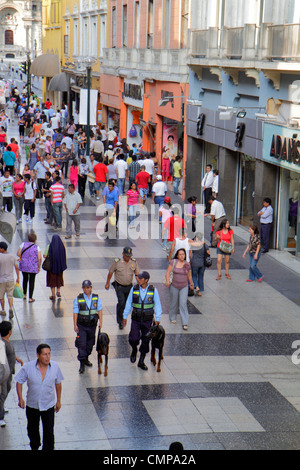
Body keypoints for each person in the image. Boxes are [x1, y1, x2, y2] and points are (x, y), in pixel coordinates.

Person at [14, 343, 64, 450]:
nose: (48, 357)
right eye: (45, 354)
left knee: (49, 432)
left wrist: (59, 400)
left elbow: (58, 383)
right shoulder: (28, 367)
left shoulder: (55, 366)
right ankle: (35, 446)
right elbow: (19, 381)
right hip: (32, 405)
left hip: (48, 405)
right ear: (38, 355)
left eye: (49, 354)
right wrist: (20, 398)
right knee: (32, 431)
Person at [122, 271, 162, 370]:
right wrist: (125, 316)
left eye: (140, 278)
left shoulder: (153, 290)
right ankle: (134, 349)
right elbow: (128, 303)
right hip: (136, 318)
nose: (138, 280)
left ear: (146, 280)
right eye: (138, 278)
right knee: (133, 338)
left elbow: (157, 305)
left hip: (147, 320)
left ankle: (141, 361)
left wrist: (158, 318)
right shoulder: (134, 289)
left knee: (146, 340)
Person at [105, 247, 140, 329]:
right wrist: (107, 283)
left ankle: (124, 317)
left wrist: (140, 283)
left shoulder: (134, 262)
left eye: (129, 256)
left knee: (127, 304)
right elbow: (110, 272)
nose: (128, 257)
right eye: (126, 256)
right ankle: (120, 321)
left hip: (129, 286)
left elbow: (137, 274)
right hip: (119, 286)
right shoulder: (117, 262)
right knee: (121, 302)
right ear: (123, 254)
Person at [73, 280, 103, 374]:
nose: (86, 289)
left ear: (91, 288)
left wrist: (101, 322)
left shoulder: (96, 298)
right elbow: (75, 313)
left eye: (88, 287)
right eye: (84, 288)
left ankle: (86, 358)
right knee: (82, 343)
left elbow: (100, 310)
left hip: (92, 325)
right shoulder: (78, 298)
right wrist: (75, 325)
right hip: (81, 325)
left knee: (90, 343)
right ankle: (82, 363)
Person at [0, 321, 23, 428]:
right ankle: (0, 416)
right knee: (3, 393)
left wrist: (16, 358)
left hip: (9, 372)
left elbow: (11, 353)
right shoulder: (2, 344)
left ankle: (2, 407)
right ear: (9, 331)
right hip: (4, 374)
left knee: (7, 390)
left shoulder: (7, 341)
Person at [164, 248, 193, 330]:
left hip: (184, 286)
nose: (182, 256)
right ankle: (172, 317)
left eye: (183, 254)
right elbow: (168, 272)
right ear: (177, 255)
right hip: (174, 285)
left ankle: (185, 322)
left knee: (183, 304)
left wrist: (191, 284)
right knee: (174, 302)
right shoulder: (173, 262)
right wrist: (167, 281)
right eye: (180, 254)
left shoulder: (187, 264)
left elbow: (189, 275)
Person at [17, 232, 42, 303]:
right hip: (33, 266)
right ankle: (30, 297)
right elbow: (39, 258)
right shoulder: (37, 247)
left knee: (25, 279)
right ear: (35, 240)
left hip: (24, 265)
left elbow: (18, 253)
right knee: (32, 281)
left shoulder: (23, 244)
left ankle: (24, 294)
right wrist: (38, 266)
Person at [43, 234, 67, 300]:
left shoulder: (49, 246)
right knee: (58, 279)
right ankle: (58, 291)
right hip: (59, 267)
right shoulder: (62, 246)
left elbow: (45, 255)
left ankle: (53, 295)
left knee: (52, 281)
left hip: (51, 267)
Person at [0, 242, 19, 319]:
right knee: (10, 296)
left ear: (2, 249)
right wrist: (18, 277)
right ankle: (10, 308)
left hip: (1, 280)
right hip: (10, 279)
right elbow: (16, 267)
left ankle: (3, 310)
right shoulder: (13, 256)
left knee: (1, 296)